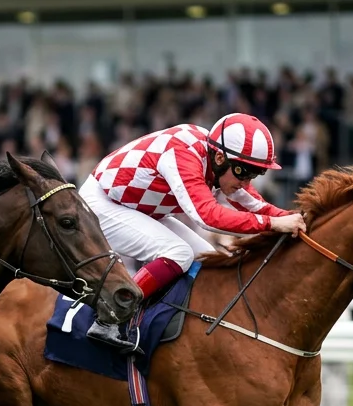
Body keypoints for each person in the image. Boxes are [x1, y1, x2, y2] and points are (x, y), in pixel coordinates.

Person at [79, 113, 306, 349]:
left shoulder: (220, 160)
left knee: (211, 260)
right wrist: (271, 224)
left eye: (255, 174)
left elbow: (254, 203)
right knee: (179, 253)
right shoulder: (184, 154)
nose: (246, 182)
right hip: (102, 205)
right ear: (219, 157)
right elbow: (206, 215)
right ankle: (109, 318)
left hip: (137, 207)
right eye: (243, 172)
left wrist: (294, 217)